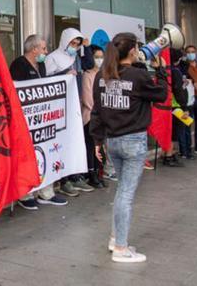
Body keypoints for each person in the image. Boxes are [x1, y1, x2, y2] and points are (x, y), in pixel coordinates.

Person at [91, 32, 168, 263]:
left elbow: (97, 111)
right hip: (133, 141)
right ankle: (122, 249)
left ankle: (116, 238)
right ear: (133, 50)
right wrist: (161, 71)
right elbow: (161, 94)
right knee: (126, 194)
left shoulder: (102, 76)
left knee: (121, 192)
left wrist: (97, 141)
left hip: (112, 141)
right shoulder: (138, 75)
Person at [9, 34, 68, 209]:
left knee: (46, 153)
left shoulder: (41, 64)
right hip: (25, 121)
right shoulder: (18, 65)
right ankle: (24, 193)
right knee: (26, 157)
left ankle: (46, 192)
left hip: (41, 120)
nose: (46, 52)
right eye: (43, 48)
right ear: (34, 49)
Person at [45, 28, 95, 196]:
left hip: (76, 105)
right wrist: (64, 74)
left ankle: (76, 176)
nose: (74, 46)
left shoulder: (75, 58)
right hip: (60, 107)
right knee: (62, 143)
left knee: (76, 141)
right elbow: (47, 80)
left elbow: (89, 64)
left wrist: (87, 48)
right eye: (72, 43)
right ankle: (64, 180)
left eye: (77, 44)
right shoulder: (53, 57)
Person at [81, 46, 108, 188]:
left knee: (100, 146)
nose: (100, 60)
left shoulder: (105, 74)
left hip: (103, 117)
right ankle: (91, 174)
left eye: (101, 57)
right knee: (91, 146)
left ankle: (99, 172)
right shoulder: (87, 75)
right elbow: (87, 99)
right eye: (97, 57)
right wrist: (99, 112)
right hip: (91, 117)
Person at [163, 49, 190, 168]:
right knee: (173, 132)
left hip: (166, 106)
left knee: (169, 131)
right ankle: (169, 156)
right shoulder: (175, 72)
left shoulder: (164, 71)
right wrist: (185, 108)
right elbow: (179, 91)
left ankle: (167, 154)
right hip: (176, 106)